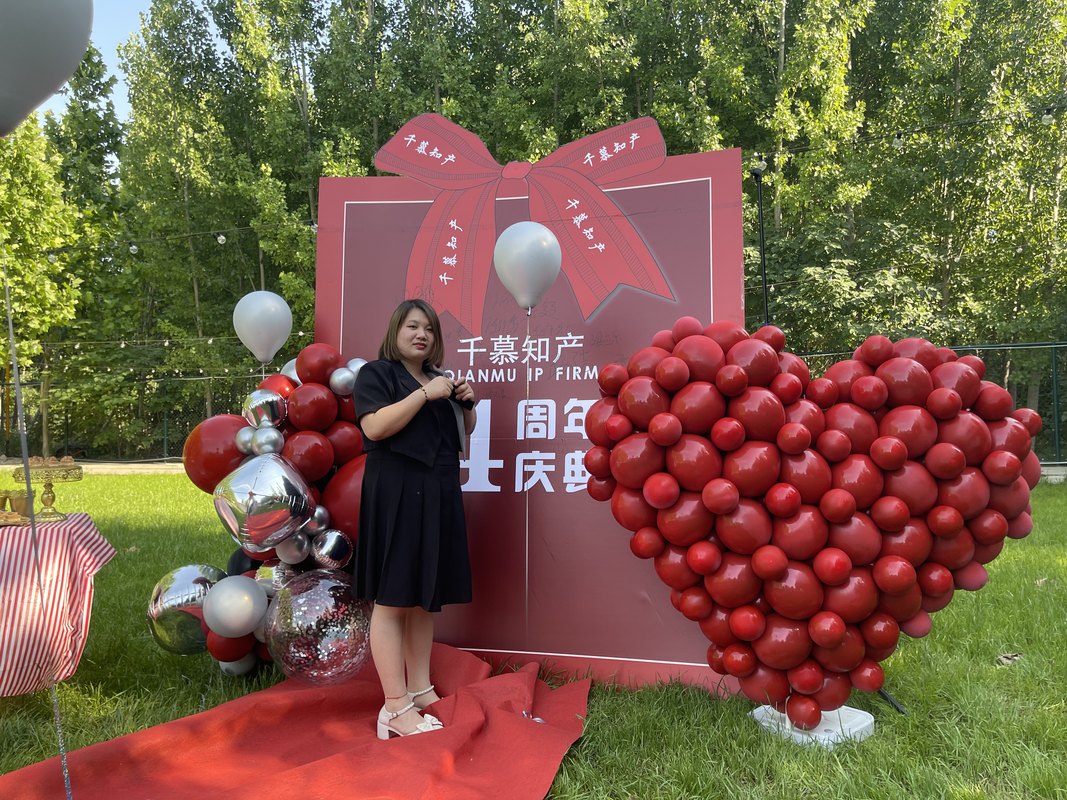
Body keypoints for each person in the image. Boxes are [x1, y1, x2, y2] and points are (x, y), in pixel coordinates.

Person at [352, 298, 477, 739]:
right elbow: (374, 427)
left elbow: (463, 433)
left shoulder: (440, 378)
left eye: (429, 329)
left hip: (439, 490)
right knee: (392, 598)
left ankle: (420, 690)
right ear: (395, 331)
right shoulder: (377, 374)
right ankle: (394, 706)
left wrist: (466, 405)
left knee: (425, 596)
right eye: (412, 326)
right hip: (397, 492)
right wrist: (425, 394)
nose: (421, 334)